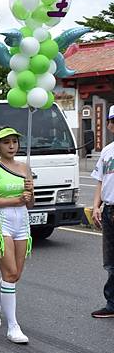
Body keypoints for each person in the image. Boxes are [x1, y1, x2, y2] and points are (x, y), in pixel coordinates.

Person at [0, 127, 34, 344]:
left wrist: (30, 191)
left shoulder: (25, 167)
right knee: (10, 273)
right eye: (6, 142)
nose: (12, 146)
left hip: (22, 221)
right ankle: (13, 326)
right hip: (0, 221)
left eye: (14, 141)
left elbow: (30, 203)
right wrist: (16, 200)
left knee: (15, 274)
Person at [90, 106, 114, 318]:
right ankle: (112, 304)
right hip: (109, 211)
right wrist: (96, 206)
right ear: (109, 125)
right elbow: (100, 181)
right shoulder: (107, 151)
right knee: (110, 262)